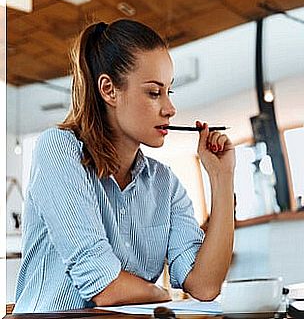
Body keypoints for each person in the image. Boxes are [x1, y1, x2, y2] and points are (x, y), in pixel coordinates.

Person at [14, 19, 235, 313]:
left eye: (170, 92)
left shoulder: (164, 184)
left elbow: (205, 286)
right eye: (154, 93)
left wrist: (222, 179)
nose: (170, 109)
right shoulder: (58, 149)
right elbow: (104, 286)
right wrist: (161, 293)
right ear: (109, 90)